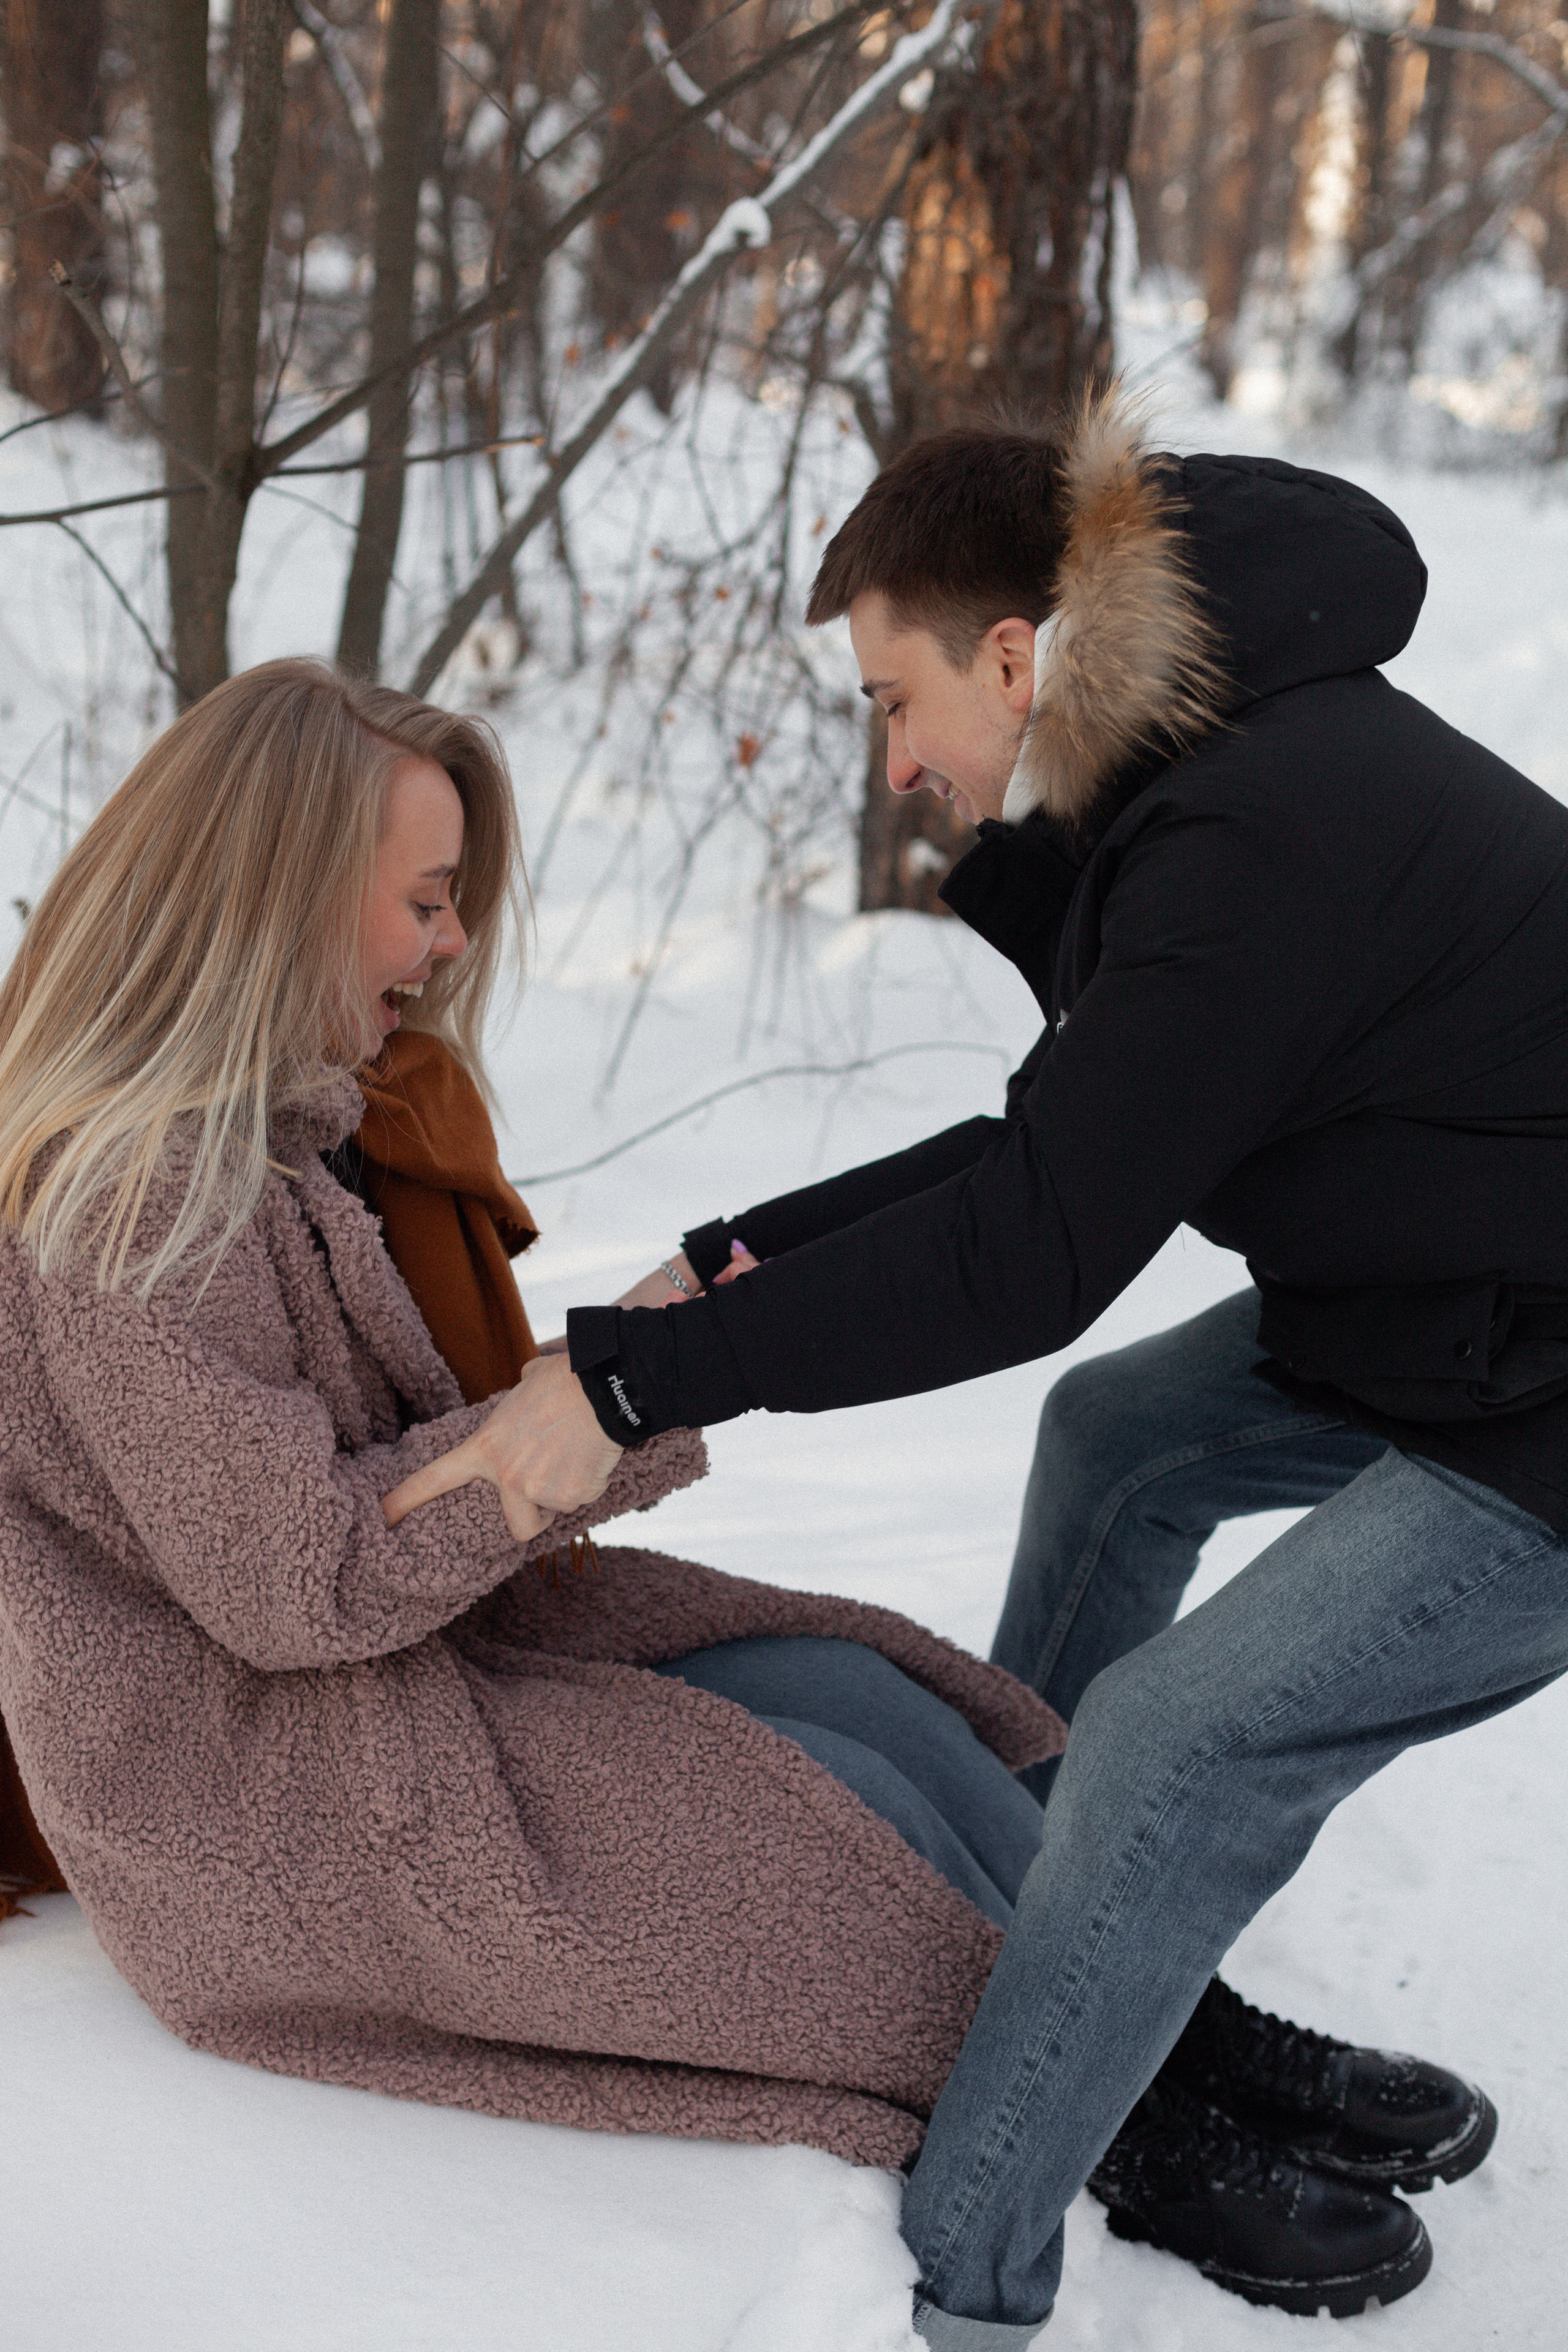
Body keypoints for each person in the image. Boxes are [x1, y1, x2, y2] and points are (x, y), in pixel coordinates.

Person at [394, 385, 1563, 2345]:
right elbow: (1054, 1144)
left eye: (895, 700)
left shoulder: (1254, 825)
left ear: (1015, 657)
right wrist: (738, 1264)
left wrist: (631, 1389)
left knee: (1178, 1745)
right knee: (1124, 1440)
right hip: (1442, 1303)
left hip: (1535, 1394)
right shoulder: (1207, 762)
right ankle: (1073, 1961)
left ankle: (961, 2282)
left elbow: (1032, 1252)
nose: (897, 761)